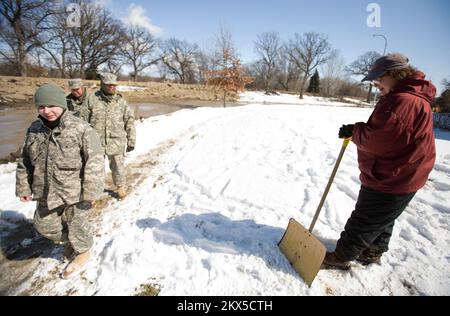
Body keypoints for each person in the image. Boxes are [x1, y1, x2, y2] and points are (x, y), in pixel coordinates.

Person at [322, 53, 436, 270]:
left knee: (367, 218)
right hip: (403, 172)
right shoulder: (407, 97)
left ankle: (341, 256)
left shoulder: (403, 100)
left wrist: (355, 131)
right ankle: (372, 252)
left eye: (379, 78)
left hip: (394, 174)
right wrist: (357, 130)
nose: (375, 83)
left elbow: (379, 140)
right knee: (383, 217)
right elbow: (389, 134)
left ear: (394, 74)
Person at [16, 84, 105, 278]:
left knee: (77, 225)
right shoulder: (34, 129)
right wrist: (23, 185)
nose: (46, 111)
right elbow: (24, 160)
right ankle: (72, 242)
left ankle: (82, 251)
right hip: (45, 190)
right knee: (44, 225)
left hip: (75, 191)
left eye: (51, 106)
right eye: (41, 107)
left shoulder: (81, 128)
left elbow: (95, 161)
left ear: (61, 104)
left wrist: (90, 192)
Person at [85, 73, 136, 200]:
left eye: (113, 85)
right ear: (102, 84)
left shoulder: (121, 102)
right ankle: (94, 194)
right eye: (108, 85)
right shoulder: (91, 100)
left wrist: (131, 139)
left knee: (118, 167)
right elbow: (83, 121)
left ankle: (120, 188)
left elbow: (129, 121)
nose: (111, 87)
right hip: (95, 141)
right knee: (95, 170)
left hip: (116, 141)